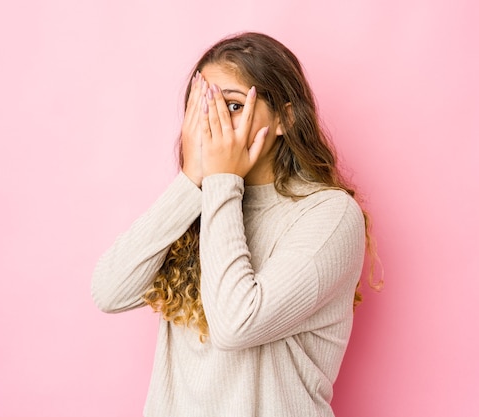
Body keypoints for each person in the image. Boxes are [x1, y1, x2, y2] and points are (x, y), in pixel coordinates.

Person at [91, 31, 380, 417]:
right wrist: (193, 181)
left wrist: (222, 180)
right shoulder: (201, 200)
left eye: (232, 105)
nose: (214, 123)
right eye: (203, 107)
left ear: (285, 118)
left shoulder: (328, 214)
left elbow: (235, 325)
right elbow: (109, 291)